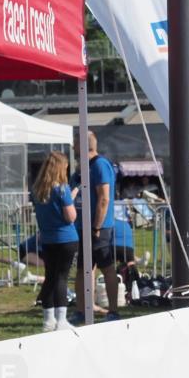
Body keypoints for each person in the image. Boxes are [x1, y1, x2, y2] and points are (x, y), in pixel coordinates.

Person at [71, 131, 119, 323]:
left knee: (107, 268)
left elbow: (104, 198)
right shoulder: (82, 167)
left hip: (99, 228)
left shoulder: (99, 165)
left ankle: (113, 310)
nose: (73, 147)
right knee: (83, 269)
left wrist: (96, 227)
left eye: (75, 143)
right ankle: (81, 310)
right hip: (83, 226)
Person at [31, 152, 78, 331]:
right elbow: (70, 217)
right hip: (66, 238)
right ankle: (62, 320)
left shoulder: (37, 190)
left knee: (50, 277)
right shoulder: (62, 189)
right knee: (61, 278)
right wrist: (71, 202)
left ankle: (48, 319)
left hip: (48, 239)